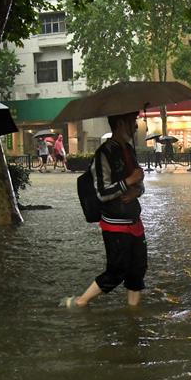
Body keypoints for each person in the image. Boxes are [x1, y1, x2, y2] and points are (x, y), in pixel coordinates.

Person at [62, 111, 146, 308]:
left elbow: (139, 184)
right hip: (115, 225)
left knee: (137, 271)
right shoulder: (104, 153)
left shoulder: (130, 150)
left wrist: (137, 190)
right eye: (132, 121)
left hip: (135, 221)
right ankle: (80, 302)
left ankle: (133, 316)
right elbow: (102, 192)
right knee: (116, 271)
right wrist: (129, 182)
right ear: (120, 124)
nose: (136, 126)